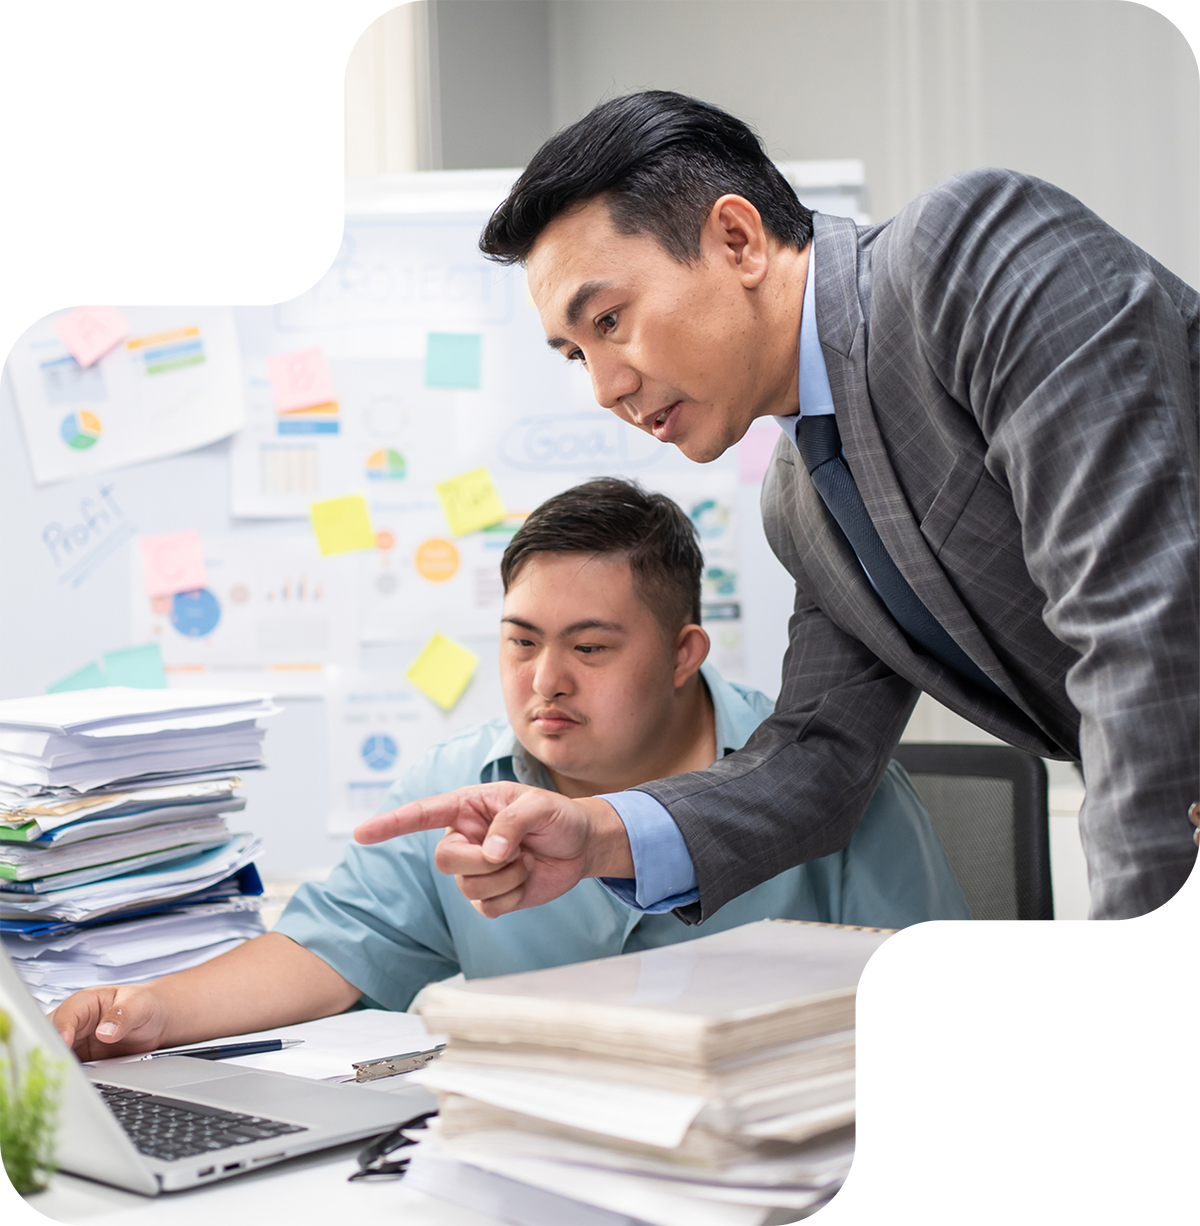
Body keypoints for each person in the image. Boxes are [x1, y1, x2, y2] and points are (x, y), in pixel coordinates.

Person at [363, 90, 1200, 931]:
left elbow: (1142, 630)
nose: (606, 386)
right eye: (577, 353)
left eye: (611, 320)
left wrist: (1137, 987)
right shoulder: (801, 501)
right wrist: (601, 832)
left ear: (738, 239)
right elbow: (818, 759)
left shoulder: (966, 256)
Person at [52, 479, 969, 1060]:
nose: (545, 681)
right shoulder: (457, 785)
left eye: (592, 647)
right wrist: (147, 1011)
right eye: (521, 641)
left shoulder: (824, 780)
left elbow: (930, 1020)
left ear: (685, 652)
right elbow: (326, 952)